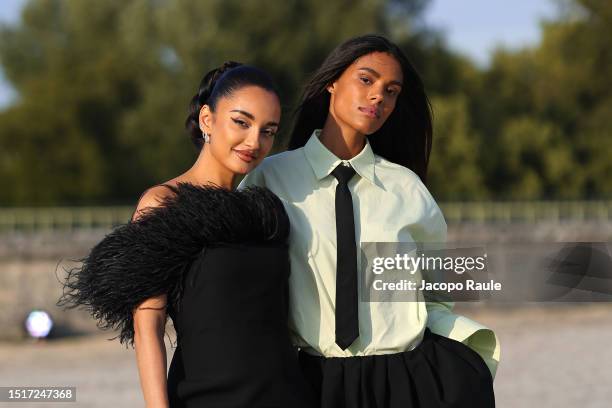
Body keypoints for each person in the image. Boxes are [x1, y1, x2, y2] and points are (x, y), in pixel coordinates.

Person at [240, 34, 499, 407]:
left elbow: (436, 296)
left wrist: (458, 364)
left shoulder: (407, 189)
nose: (379, 96)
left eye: (391, 91)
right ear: (332, 80)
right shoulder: (269, 179)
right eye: (367, 80)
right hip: (311, 381)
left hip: (405, 380)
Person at [58, 62, 315, 408]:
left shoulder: (264, 211)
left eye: (268, 131)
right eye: (241, 122)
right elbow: (148, 326)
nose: (255, 141)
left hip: (285, 396)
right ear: (207, 120)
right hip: (206, 397)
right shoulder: (165, 202)